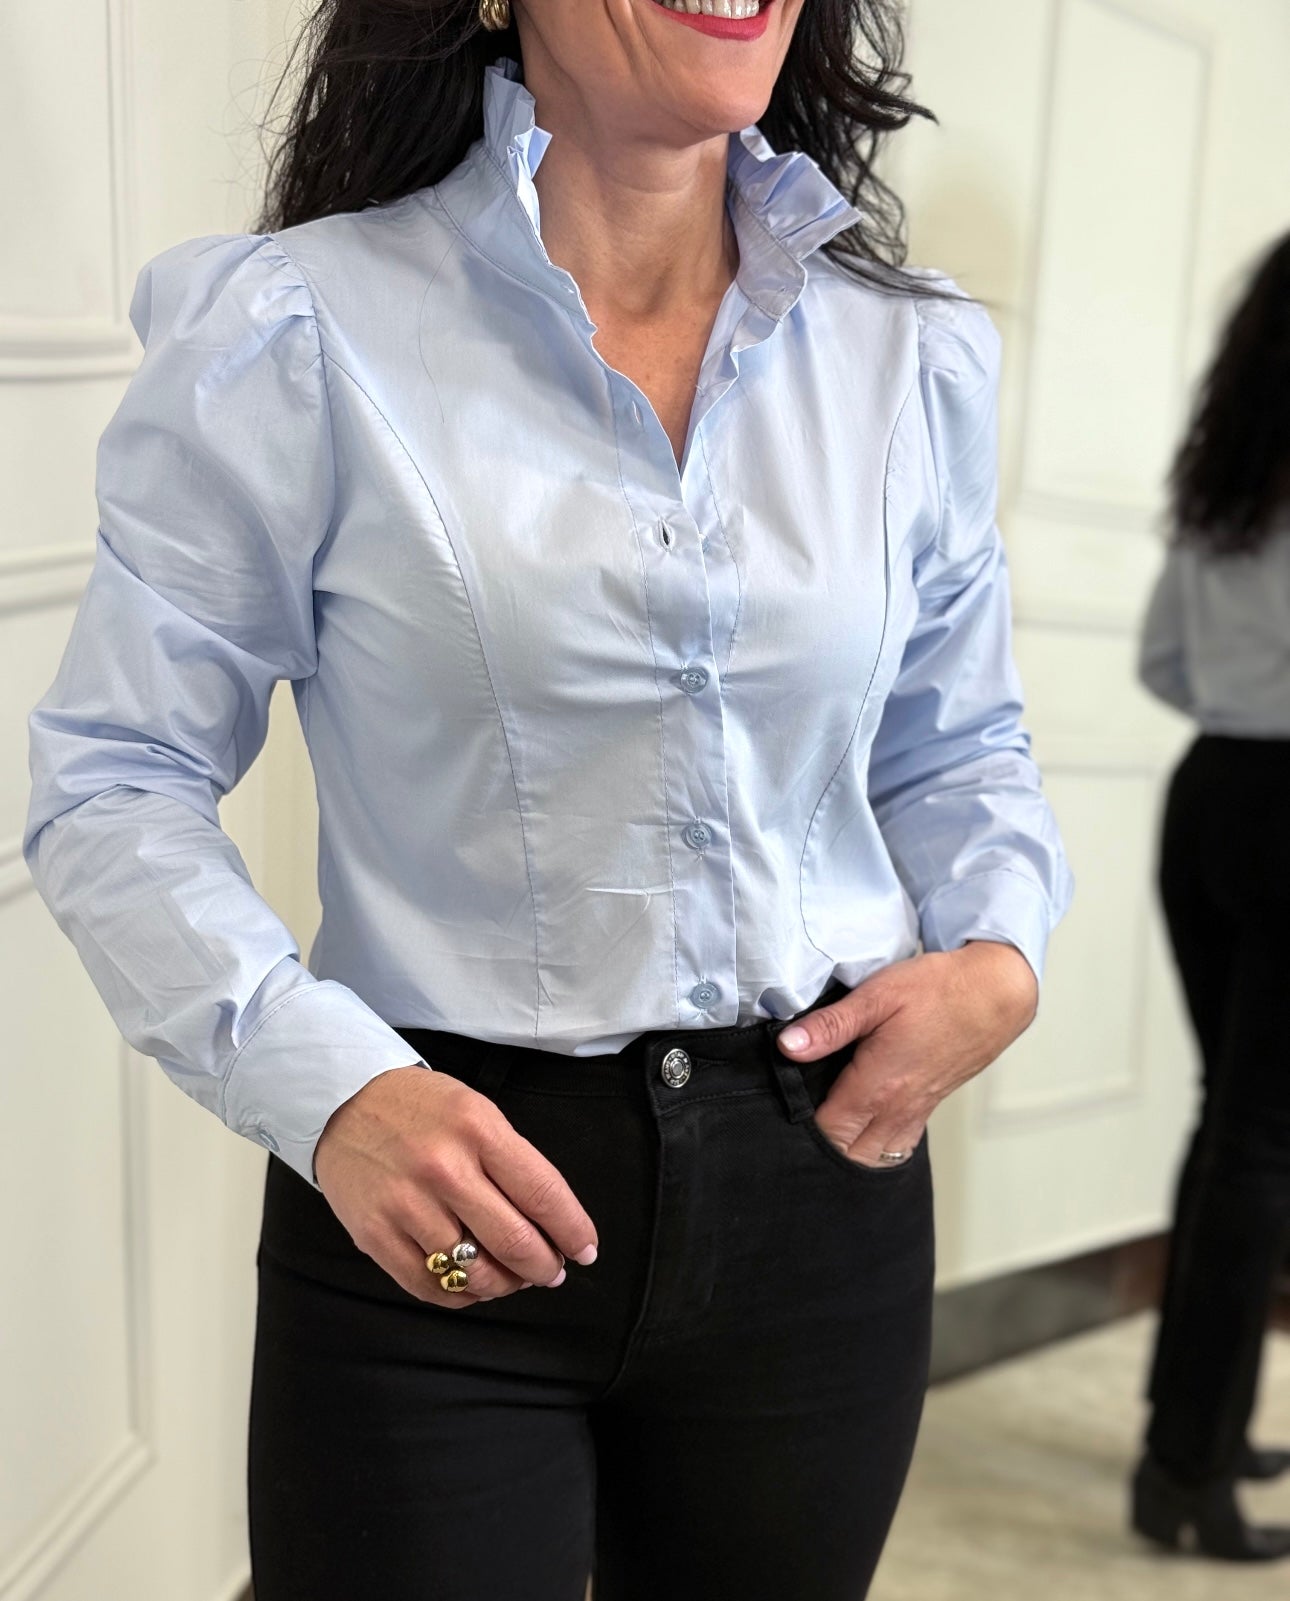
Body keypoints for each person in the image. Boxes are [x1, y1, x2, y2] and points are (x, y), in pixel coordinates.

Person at [23, 2, 1072, 1597]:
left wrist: (999, 948)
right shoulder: (299, 330)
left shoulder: (906, 356)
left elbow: (955, 738)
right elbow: (116, 776)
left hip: (820, 1197)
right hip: (438, 1196)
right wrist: (328, 1091)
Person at [1134, 231, 1290, 1563]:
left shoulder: (1229, 476)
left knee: (1231, 1125)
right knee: (1261, 1144)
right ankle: (1184, 1472)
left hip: (1213, 795)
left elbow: (1163, 662)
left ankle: (1197, 1424)